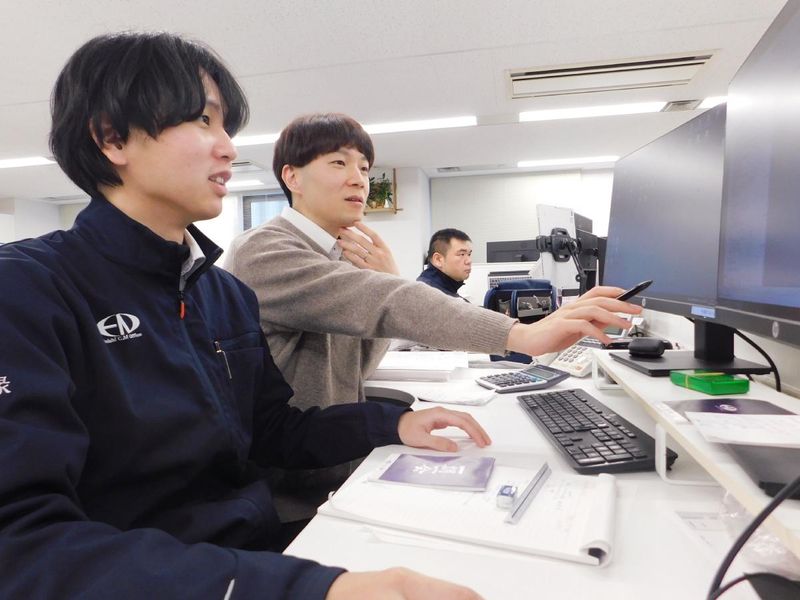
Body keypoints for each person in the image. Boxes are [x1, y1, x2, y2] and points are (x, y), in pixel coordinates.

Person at [0, 32, 494, 600]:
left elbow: (272, 431)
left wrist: (393, 423)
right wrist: (310, 589)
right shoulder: (29, 289)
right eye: (203, 121)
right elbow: (22, 545)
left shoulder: (223, 294)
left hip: (258, 548)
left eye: (227, 129)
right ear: (112, 137)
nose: (229, 149)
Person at [224, 113, 641, 518]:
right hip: (284, 494)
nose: (359, 179)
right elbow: (386, 301)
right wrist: (520, 335)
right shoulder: (265, 251)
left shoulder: (340, 257)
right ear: (292, 177)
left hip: (334, 467)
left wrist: (385, 282)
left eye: (364, 167)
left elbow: (360, 364)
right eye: (338, 163)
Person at [416, 228, 473, 298]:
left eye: (469, 254)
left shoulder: (440, 289)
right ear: (438, 259)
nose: (469, 261)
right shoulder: (429, 296)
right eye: (462, 254)